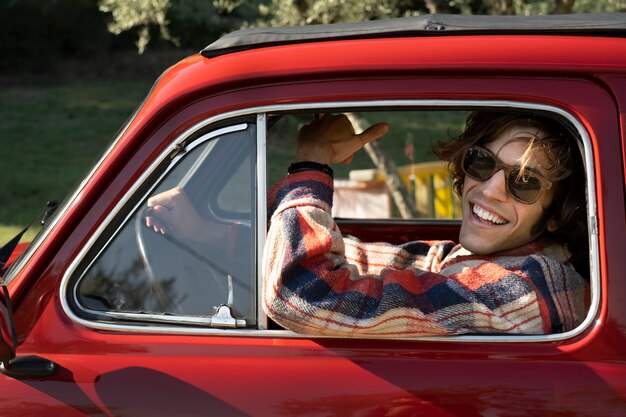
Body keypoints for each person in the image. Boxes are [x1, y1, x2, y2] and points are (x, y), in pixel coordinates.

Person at [262, 112, 588, 337]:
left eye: (524, 182)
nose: (489, 189)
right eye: (482, 162)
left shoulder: (528, 287)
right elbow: (369, 259)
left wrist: (311, 162)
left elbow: (303, 294)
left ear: (558, 211)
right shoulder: (480, 261)